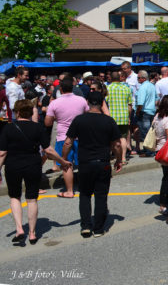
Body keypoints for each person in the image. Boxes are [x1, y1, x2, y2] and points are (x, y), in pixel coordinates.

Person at [0, 99, 71, 244]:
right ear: (30, 112)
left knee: (15, 197)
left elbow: (2, 153)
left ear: (17, 112)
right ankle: (32, 233)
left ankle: (19, 229)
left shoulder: (8, 128)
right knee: (32, 198)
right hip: (33, 164)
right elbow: (48, 150)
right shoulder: (37, 128)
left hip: (13, 165)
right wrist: (62, 162)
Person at [62, 92, 123, 237]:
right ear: (102, 103)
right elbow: (117, 144)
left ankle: (86, 226)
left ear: (88, 102)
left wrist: (64, 159)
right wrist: (119, 159)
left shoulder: (79, 120)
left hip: (85, 162)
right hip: (103, 162)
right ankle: (99, 228)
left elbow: (68, 142)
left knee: (85, 194)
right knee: (101, 195)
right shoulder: (108, 121)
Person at [45, 76, 89, 197]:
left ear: (60, 89)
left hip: (63, 137)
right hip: (81, 136)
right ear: (73, 87)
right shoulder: (82, 100)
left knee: (65, 164)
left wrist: (57, 117)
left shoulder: (55, 103)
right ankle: (85, 187)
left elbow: (47, 123)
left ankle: (69, 191)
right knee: (82, 163)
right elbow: (87, 114)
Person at [106, 71, 133, 160]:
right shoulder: (126, 89)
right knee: (123, 138)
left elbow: (105, 103)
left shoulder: (107, 88)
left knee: (110, 138)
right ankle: (123, 157)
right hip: (124, 116)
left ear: (111, 78)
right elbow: (130, 105)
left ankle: (112, 156)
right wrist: (129, 117)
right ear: (119, 78)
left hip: (111, 117)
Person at [135, 70, 157, 157]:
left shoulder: (143, 87)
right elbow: (157, 99)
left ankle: (149, 152)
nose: (137, 79)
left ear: (143, 78)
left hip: (144, 112)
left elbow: (140, 103)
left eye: (138, 78)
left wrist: (137, 112)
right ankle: (150, 150)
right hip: (151, 111)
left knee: (145, 133)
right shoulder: (152, 86)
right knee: (150, 133)